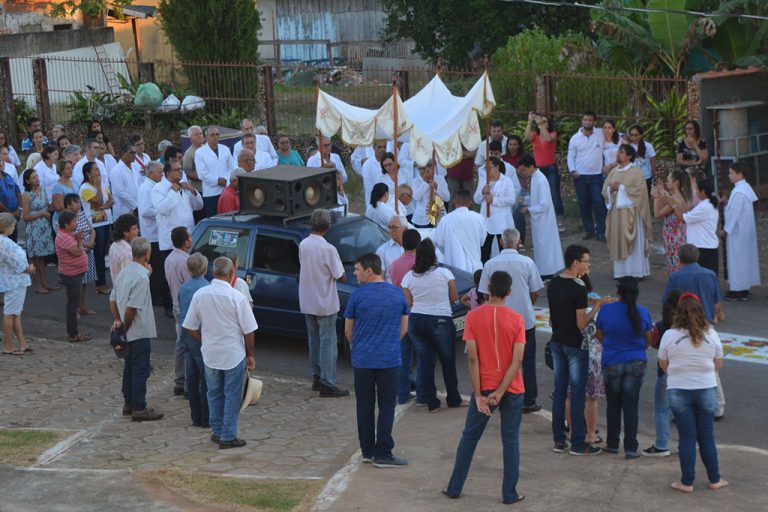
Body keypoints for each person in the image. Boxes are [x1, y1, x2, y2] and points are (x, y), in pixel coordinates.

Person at [444, 270, 526, 505]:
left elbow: (472, 358)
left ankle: (454, 487)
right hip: (512, 387)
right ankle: (509, 493)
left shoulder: (473, 317)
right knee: (510, 441)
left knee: (469, 437)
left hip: (485, 385)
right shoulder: (516, 319)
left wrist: (479, 394)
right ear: (509, 292)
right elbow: (517, 360)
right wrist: (501, 390)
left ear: (488, 289)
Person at [183, 256, 257, 448]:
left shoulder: (201, 295)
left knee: (214, 392)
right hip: (233, 353)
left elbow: (189, 325)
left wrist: (204, 339)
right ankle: (228, 435)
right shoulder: (236, 297)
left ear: (212, 271)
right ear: (232, 272)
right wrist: (250, 354)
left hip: (210, 353)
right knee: (232, 394)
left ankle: (217, 431)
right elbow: (249, 330)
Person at [344, 253, 410, 468]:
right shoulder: (398, 294)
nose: (355, 273)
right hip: (388, 359)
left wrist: (358, 346)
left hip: (362, 359)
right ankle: (383, 452)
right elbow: (404, 328)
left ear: (369, 270)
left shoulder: (357, 296)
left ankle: (367, 450)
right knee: (387, 406)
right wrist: (389, 343)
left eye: (357, 269)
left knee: (364, 405)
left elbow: (348, 330)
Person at [659, 293, 728, 493]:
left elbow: (663, 364)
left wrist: (679, 372)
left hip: (679, 389)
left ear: (678, 312)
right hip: (706, 388)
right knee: (706, 435)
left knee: (687, 436)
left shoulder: (669, 335)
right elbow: (718, 364)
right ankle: (715, 479)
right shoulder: (711, 334)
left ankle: (687, 481)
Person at [548, 244, 613, 455]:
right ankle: (578, 443)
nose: (588, 265)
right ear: (575, 262)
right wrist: (597, 306)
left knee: (560, 392)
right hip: (576, 345)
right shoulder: (578, 287)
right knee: (577, 394)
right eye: (586, 261)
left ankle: (559, 439)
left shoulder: (554, 282)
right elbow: (581, 323)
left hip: (557, 341)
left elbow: (552, 319)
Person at [478, 228, 543, 412]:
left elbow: (484, 293)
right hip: (524, 319)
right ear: (518, 242)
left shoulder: (490, 264)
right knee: (527, 359)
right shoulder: (527, 262)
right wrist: (528, 303)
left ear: (501, 242)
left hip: (497, 319)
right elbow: (536, 290)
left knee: (498, 359)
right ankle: (529, 399)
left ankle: (497, 394)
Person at [402, 239, 465, 412]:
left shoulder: (408, 277)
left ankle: (432, 403)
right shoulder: (444, 273)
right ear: (433, 255)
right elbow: (454, 297)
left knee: (426, 363)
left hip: (417, 321)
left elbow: (409, 302)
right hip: (441, 320)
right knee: (448, 362)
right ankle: (453, 398)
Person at [595, 277, 652, 459]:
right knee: (631, 406)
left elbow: (599, 334)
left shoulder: (607, 310)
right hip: (636, 361)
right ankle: (631, 448)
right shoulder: (643, 312)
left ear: (619, 291)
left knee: (613, 404)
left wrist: (611, 346)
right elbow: (648, 339)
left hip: (612, 360)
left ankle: (612, 444)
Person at [108, 237, 163, 422]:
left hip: (127, 328)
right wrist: (125, 326)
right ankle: (139, 407)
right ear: (147, 254)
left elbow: (113, 300)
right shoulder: (141, 277)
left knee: (130, 367)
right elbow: (132, 308)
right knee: (140, 369)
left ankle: (129, 403)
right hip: (137, 330)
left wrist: (118, 321)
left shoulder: (124, 272)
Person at [298, 209, 349, 397]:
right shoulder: (328, 249)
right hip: (325, 302)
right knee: (328, 343)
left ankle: (317, 377)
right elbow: (340, 276)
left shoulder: (304, 244)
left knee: (314, 341)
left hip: (307, 299)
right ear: (327, 226)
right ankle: (328, 382)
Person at [152, 160, 203, 315]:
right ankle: (169, 305)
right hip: (170, 240)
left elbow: (199, 206)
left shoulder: (185, 186)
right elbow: (162, 209)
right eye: (177, 169)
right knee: (170, 275)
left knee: (189, 272)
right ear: (167, 173)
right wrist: (173, 192)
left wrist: (193, 191)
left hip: (188, 237)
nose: (180, 172)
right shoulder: (158, 189)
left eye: (181, 169)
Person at [643, 288, 684, 457]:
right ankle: (686, 444)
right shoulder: (694, 327)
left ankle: (662, 444)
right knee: (684, 411)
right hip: (687, 373)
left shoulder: (661, 326)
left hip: (666, 372)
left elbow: (653, 344)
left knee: (661, 408)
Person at [603, 144, 652, 279]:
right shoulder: (613, 171)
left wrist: (621, 188)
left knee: (634, 244)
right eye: (618, 152)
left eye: (622, 152)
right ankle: (621, 273)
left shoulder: (636, 171)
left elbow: (640, 192)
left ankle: (636, 272)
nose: (618, 154)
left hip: (632, 214)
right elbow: (605, 189)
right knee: (617, 241)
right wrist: (611, 189)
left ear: (629, 156)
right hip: (616, 214)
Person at [388, 229, 423, 405]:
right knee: (423, 354)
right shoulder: (420, 264)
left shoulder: (394, 264)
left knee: (404, 355)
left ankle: (402, 393)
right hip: (418, 311)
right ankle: (422, 392)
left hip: (400, 313)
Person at [517, 155, 564, 279]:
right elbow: (536, 198)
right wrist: (526, 200)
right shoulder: (535, 178)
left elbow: (544, 204)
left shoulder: (541, 180)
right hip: (539, 220)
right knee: (540, 246)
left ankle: (547, 272)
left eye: (524, 170)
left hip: (544, 220)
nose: (523, 173)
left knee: (545, 246)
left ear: (531, 167)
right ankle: (544, 271)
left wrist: (529, 209)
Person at [177, 253, 210, 427]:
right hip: (199, 333)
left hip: (186, 334)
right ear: (205, 269)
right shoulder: (206, 288)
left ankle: (195, 416)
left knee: (191, 377)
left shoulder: (184, 287)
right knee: (205, 378)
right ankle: (206, 416)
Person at [722, 161, 760, 301]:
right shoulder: (744, 188)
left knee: (737, 260)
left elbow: (735, 214)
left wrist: (726, 230)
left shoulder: (739, 192)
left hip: (738, 232)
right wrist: (727, 203)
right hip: (744, 231)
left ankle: (737, 290)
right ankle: (743, 289)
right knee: (744, 260)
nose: (729, 175)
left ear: (739, 174)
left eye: (731, 173)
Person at [567, 111, 606, 242]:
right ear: (582, 121)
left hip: (597, 176)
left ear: (594, 122)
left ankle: (601, 231)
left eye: (590, 120)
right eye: (585, 120)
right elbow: (570, 156)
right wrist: (573, 171)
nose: (587, 122)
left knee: (599, 202)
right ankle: (589, 230)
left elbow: (615, 136)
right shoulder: (575, 138)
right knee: (584, 204)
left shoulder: (600, 133)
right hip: (580, 176)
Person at [0, 213, 34, 355]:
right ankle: (8, 346)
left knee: (15, 313)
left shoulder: (4, 241)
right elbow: (15, 262)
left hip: (13, 280)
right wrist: (29, 269)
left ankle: (22, 343)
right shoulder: (4, 243)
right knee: (10, 314)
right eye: (13, 226)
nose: (14, 228)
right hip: (14, 281)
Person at [55, 210, 90, 342]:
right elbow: (76, 251)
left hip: (74, 273)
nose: (76, 223)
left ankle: (73, 332)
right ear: (66, 224)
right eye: (74, 222)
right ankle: (73, 334)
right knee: (72, 305)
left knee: (73, 303)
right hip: (71, 274)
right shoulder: (64, 237)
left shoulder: (67, 234)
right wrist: (80, 241)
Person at [165, 227, 192, 397]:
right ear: (186, 242)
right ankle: (187, 384)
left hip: (176, 304)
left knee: (181, 344)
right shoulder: (185, 261)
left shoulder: (169, 258)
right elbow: (190, 286)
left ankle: (179, 381)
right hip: (185, 307)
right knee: (189, 346)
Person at [79, 161, 114, 293]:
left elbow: (111, 200)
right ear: (88, 173)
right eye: (95, 169)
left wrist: (104, 206)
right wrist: (98, 186)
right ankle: (100, 284)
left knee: (103, 252)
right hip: (95, 224)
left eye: (98, 169)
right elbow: (98, 200)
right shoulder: (85, 188)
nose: (98, 171)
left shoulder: (103, 184)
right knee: (98, 254)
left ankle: (102, 281)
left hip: (106, 221)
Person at [432, 190, 485, 274]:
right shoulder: (479, 218)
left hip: (453, 267)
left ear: (454, 201)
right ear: (470, 202)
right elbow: (482, 241)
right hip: (474, 267)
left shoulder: (445, 220)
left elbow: (439, 242)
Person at [20, 169, 56, 293]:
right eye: (33, 177)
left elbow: (47, 206)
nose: (37, 179)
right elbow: (25, 216)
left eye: (37, 176)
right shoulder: (26, 195)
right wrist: (42, 213)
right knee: (33, 257)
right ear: (27, 181)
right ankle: (38, 285)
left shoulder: (42, 189)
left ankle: (44, 282)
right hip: (33, 229)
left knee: (41, 258)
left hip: (44, 228)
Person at [474, 156, 516, 263]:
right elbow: (476, 200)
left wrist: (494, 200)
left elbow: (511, 199)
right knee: (484, 253)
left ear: (497, 167)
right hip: (486, 221)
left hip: (501, 222)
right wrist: (482, 192)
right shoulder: (484, 180)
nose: (487, 171)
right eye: (485, 168)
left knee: (504, 251)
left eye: (489, 168)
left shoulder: (506, 181)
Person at [526, 113, 563, 229]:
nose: (541, 123)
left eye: (545, 121)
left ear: (548, 124)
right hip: (538, 169)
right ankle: (542, 219)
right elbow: (527, 137)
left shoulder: (553, 134)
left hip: (551, 168)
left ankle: (559, 221)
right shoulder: (534, 135)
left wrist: (541, 125)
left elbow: (548, 139)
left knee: (554, 194)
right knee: (539, 195)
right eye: (540, 121)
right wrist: (529, 121)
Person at [652, 170, 692, 273]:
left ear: (676, 183)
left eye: (669, 180)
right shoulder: (682, 196)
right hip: (678, 234)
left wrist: (656, 197)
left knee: (675, 264)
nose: (667, 183)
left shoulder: (675, 199)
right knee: (678, 263)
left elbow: (657, 214)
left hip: (674, 237)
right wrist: (662, 193)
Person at [137, 162, 165, 308]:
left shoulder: (155, 186)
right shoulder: (145, 188)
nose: (162, 175)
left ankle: (158, 293)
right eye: (159, 172)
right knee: (154, 267)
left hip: (158, 232)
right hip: (151, 234)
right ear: (151, 173)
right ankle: (155, 296)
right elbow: (145, 211)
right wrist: (162, 211)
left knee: (158, 267)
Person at [65, 194, 97, 316]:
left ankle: (82, 305)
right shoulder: (67, 218)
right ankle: (74, 309)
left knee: (83, 281)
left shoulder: (82, 214)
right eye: (75, 202)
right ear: (68, 205)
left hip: (87, 250)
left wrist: (91, 242)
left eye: (79, 202)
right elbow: (69, 237)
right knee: (75, 283)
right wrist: (87, 244)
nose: (79, 204)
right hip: (76, 251)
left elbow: (92, 230)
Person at [682, 178, 719, 276]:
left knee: (703, 277)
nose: (696, 192)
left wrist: (674, 204)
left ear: (703, 192)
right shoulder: (705, 204)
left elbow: (685, 218)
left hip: (703, 247)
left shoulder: (705, 206)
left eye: (697, 190)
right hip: (705, 246)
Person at [195, 126, 234, 217]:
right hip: (211, 193)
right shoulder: (200, 152)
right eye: (212, 135)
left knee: (228, 217)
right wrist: (217, 181)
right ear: (206, 137)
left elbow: (231, 167)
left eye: (217, 134)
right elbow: (202, 174)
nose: (215, 137)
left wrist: (226, 180)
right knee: (214, 218)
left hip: (226, 189)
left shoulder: (225, 149)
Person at [410, 160, 450, 228]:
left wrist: (437, 187)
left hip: (439, 216)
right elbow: (416, 197)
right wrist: (425, 182)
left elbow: (447, 198)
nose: (425, 171)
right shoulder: (415, 181)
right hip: (422, 219)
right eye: (421, 169)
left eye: (427, 168)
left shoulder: (440, 179)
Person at [110, 144, 141, 219]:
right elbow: (120, 192)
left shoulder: (135, 168)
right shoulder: (116, 170)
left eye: (135, 153)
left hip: (137, 209)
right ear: (123, 154)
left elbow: (138, 186)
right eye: (132, 153)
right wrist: (135, 207)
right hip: (123, 211)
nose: (134, 155)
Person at [108, 213, 139, 285]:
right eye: (134, 229)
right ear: (125, 232)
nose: (138, 230)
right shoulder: (127, 252)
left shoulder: (114, 245)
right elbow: (128, 280)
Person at [625, 125, 656, 195]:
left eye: (636, 135)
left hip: (645, 177)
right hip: (631, 177)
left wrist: (654, 175)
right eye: (631, 135)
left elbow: (653, 161)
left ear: (641, 135)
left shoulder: (648, 146)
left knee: (645, 197)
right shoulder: (628, 146)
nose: (633, 137)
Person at [375, 214, 407, 283]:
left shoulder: (414, 247)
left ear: (404, 229)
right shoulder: (382, 251)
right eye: (389, 227)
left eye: (394, 227)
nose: (391, 231)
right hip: (392, 289)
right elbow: (380, 278)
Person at [0, 158, 21, 241]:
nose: (2, 164)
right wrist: (9, 214)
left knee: (13, 242)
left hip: (13, 215)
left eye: (2, 162)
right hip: (2, 217)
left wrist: (19, 209)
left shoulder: (7, 176)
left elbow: (18, 192)